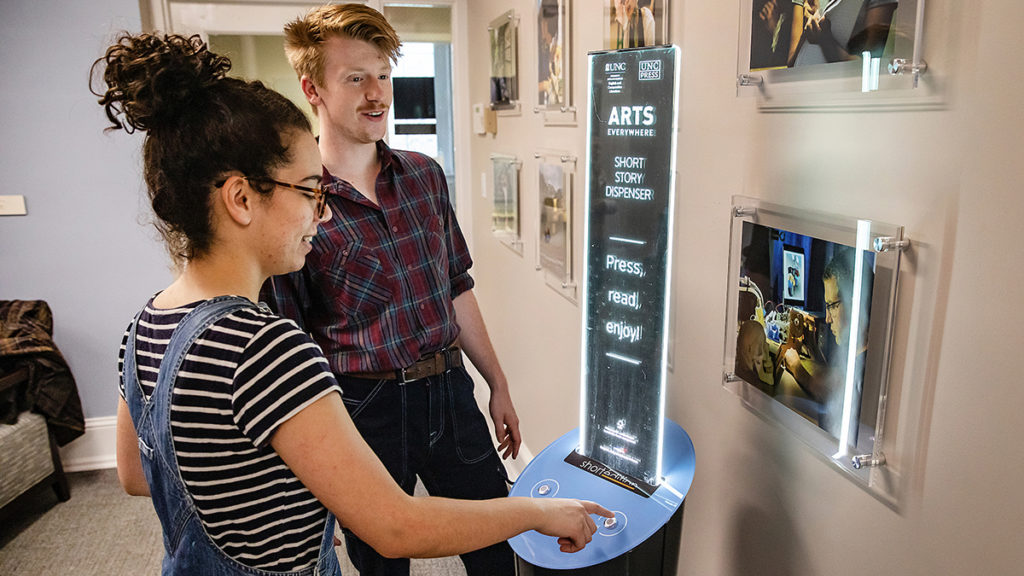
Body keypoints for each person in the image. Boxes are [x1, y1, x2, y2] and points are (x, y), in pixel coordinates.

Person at [95, 32, 610, 576]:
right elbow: (395, 528)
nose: (321, 215)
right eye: (306, 191)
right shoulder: (269, 350)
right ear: (242, 199)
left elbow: (136, 473)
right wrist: (538, 511)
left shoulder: (145, 324)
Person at [264, 5, 524, 575]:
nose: (376, 93)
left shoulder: (425, 177)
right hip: (362, 407)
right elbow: (290, 342)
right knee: (383, 560)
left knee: (498, 546)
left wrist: (497, 383)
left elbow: (456, 288)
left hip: (450, 392)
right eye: (354, 77)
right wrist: (311, 473)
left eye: (382, 74)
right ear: (313, 88)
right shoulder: (297, 203)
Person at [782, 248, 872, 440]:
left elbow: (828, 392)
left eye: (832, 305)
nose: (828, 318)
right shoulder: (856, 351)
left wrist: (796, 365)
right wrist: (813, 349)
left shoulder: (866, 364)